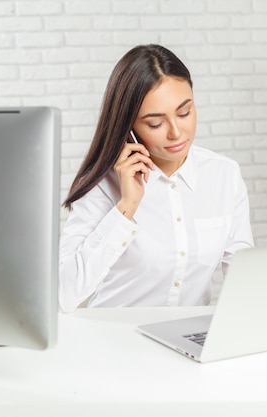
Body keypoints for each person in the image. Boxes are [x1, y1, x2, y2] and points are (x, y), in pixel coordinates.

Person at [59, 44, 253, 312]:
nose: (176, 132)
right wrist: (126, 206)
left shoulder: (224, 175)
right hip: (112, 342)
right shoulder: (103, 187)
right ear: (129, 127)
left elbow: (245, 282)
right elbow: (63, 296)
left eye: (184, 112)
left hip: (187, 341)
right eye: (155, 123)